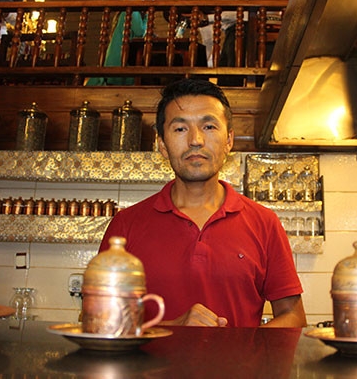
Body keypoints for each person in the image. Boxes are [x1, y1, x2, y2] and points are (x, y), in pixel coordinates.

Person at [99, 78, 307, 328]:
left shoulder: (264, 223)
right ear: (162, 144)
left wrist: (243, 344)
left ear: (229, 140)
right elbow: (101, 321)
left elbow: (293, 316)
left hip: (240, 357)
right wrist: (175, 329)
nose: (195, 140)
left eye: (208, 126)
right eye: (180, 129)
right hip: (149, 358)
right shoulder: (125, 226)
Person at [164, 0, 244, 70]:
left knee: (231, 69)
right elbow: (208, 40)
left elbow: (235, 14)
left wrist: (207, 18)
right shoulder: (197, 9)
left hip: (242, 28)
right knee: (223, 70)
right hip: (230, 33)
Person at [85, 0, 154, 86]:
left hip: (118, 52)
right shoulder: (132, 10)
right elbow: (140, 31)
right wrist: (148, 16)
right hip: (120, 54)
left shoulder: (127, 10)